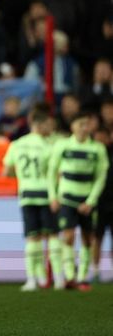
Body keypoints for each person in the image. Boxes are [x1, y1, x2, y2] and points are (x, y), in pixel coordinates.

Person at [3, 106, 64, 291]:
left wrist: (21, 176)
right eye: (47, 125)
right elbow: (57, 173)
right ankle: (59, 279)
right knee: (52, 235)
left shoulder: (16, 144)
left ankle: (32, 280)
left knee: (32, 238)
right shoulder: (49, 145)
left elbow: (7, 171)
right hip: (46, 193)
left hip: (26, 193)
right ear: (39, 124)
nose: (50, 128)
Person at [48, 112, 109, 290]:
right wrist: (53, 196)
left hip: (87, 200)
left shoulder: (97, 149)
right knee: (67, 236)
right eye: (80, 124)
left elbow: (100, 177)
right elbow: (52, 172)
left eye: (86, 124)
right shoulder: (62, 145)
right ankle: (69, 276)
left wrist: (90, 201)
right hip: (67, 198)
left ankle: (83, 277)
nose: (83, 128)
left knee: (88, 239)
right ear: (72, 126)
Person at [91, 127, 113, 283]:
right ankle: (96, 271)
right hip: (98, 203)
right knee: (96, 238)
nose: (100, 140)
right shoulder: (92, 155)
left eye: (102, 137)